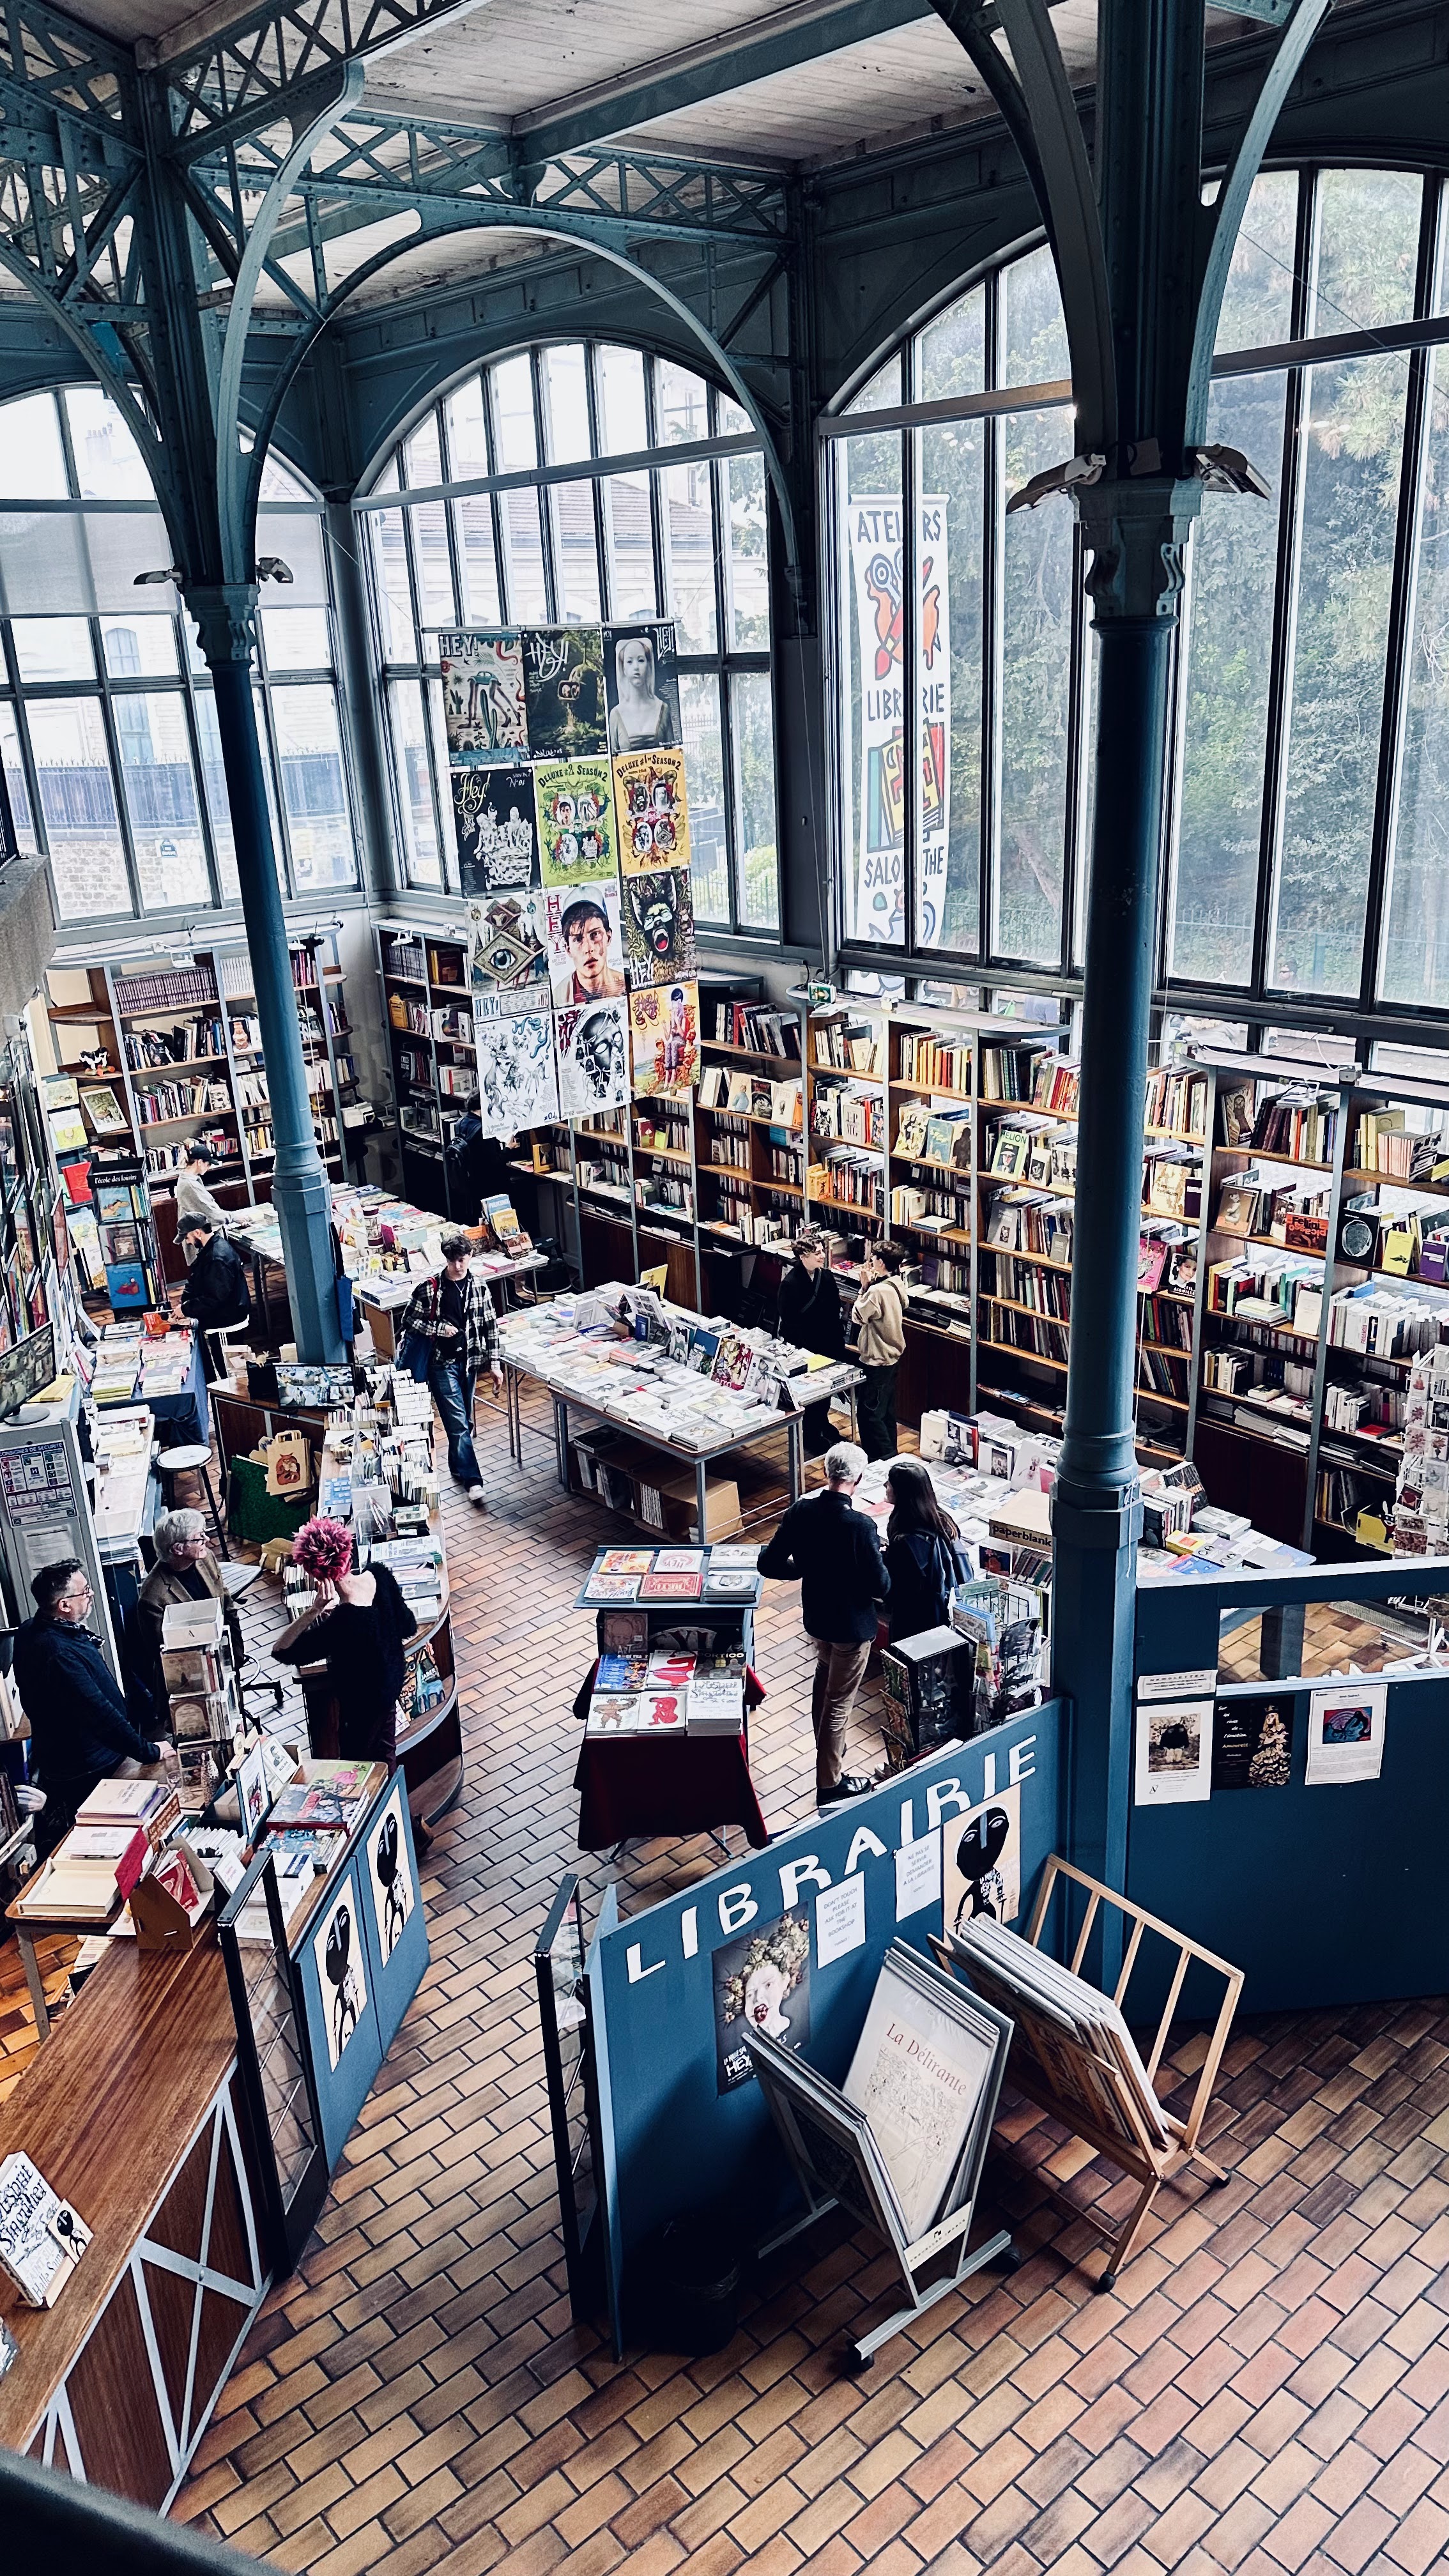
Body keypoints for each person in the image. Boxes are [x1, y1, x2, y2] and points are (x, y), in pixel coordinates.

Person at [272, 1517, 425, 1842]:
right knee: (384, 1760)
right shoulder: (380, 1575)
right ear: (347, 1553)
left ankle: (400, 1835)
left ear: (317, 1574)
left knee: (362, 1774)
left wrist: (314, 1611)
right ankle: (407, 1830)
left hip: (360, 1711)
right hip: (389, 1693)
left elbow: (283, 1651)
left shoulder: (342, 1622)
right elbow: (408, 1625)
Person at [758, 1441, 889, 1807]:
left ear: (826, 1472)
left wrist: (803, 1569)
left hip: (818, 1617)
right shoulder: (860, 1525)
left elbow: (769, 1563)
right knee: (839, 1702)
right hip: (851, 1625)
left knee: (824, 1677)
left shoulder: (802, 1511)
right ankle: (830, 1782)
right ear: (858, 1479)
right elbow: (880, 1585)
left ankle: (828, 1750)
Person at [13, 1560, 172, 1848]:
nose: (91, 1595)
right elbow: (100, 1714)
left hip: (82, 1756)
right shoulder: (58, 1654)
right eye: (85, 1591)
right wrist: (148, 1752)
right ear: (64, 1605)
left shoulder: (33, 1630)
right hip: (91, 1767)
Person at [397, 1229, 502, 1507]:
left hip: (469, 1363)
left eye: (462, 1259)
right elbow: (409, 1321)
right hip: (441, 1364)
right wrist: (438, 1329)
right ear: (446, 1259)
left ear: (471, 1256)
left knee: (465, 1421)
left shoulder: (479, 1287)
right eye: (453, 1260)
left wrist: (495, 1364)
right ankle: (473, 1481)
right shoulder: (429, 1288)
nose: (458, 1266)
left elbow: (491, 1327)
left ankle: (457, 1465)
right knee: (457, 1424)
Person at [137, 1507, 245, 1720]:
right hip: (192, 1677)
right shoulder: (153, 1598)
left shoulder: (206, 1558)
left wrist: (236, 1649)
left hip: (224, 1650)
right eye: (199, 1538)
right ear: (178, 1548)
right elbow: (164, 1655)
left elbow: (226, 1602)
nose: (207, 1540)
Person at [882, 1459, 971, 1644]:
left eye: (889, 1484)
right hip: (943, 1611)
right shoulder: (942, 1519)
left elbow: (897, 1589)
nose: (886, 1487)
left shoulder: (906, 1541)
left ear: (900, 1492)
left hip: (915, 1621)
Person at [776, 1229, 845, 1459]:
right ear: (803, 1256)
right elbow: (789, 1319)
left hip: (828, 1343)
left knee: (826, 1391)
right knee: (810, 1392)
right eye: (817, 1253)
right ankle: (811, 1433)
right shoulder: (790, 1283)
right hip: (805, 1346)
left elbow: (835, 1308)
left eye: (822, 1251)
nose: (823, 1256)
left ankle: (822, 1423)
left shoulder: (826, 1277)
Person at [852, 1241, 907, 1462]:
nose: (871, 1261)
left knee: (870, 1416)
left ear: (881, 1262)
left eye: (874, 1258)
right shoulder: (896, 1283)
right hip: (892, 1358)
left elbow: (858, 1316)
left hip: (877, 1359)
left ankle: (883, 1459)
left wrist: (864, 1287)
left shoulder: (876, 1291)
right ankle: (891, 1458)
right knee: (886, 1414)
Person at [179, 1216, 252, 1383]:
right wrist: (185, 1304)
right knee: (230, 1367)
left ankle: (237, 1397)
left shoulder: (216, 1257)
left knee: (229, 1371)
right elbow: (197, 1279)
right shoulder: (212, 1248)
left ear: (197, 1233)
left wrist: (186, 1309)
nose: (188, 1242)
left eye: (187, 1237)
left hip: (225, 1323)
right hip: (224, 1317)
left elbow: (213, 1298)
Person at [551, 894, 625, 1006]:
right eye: (578, 939)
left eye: (595, 934)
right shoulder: (558, 999)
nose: (588, 949)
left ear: (608, 937)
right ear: (568, 949)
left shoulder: (627, 985)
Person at [608, 634, 677, 752]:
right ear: (623, 668)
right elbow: (614, 758)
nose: (636, 667)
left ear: (649, 665)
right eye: (630, 661)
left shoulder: (663, 709)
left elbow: (672, 753)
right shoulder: (616, 715)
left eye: (641, 660)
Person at [174, 1142, 231, 1262]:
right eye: (208, 1164)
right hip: (201, 1242)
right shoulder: (189, 1185)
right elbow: (210, 1213)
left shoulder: (189, 1179)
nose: (209, 1167)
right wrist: (234, 1217)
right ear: (199, 1162)